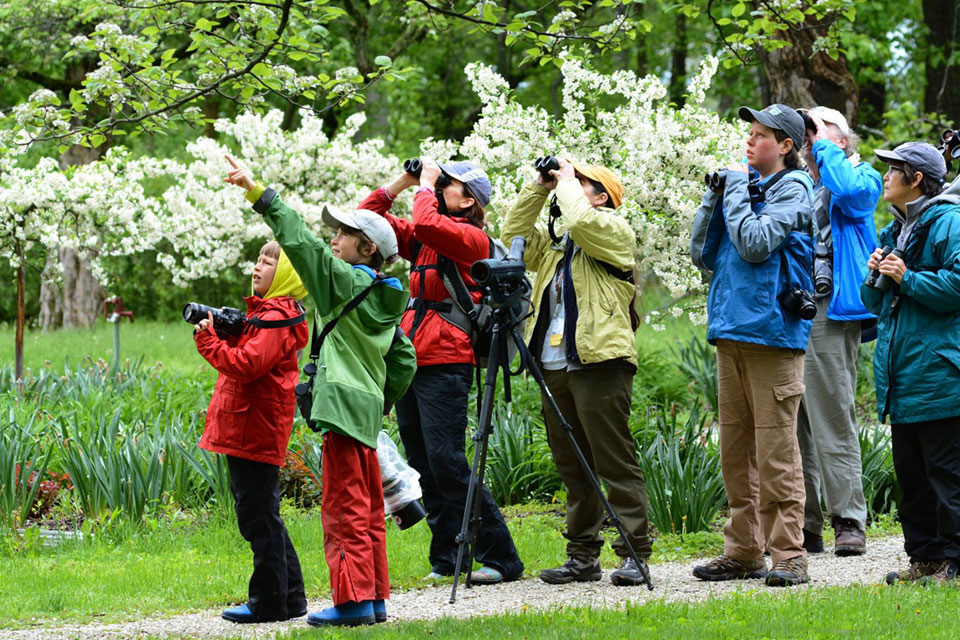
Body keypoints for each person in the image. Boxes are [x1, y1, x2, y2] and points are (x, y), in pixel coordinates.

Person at [224, 156, 418, 626]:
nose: (333, 239)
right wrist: (379, 396)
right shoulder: (386, 294)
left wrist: (258, 192)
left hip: (344, 410)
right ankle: (373, 600)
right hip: (366, 410)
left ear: (367, 248)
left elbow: (299, 241)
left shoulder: (341, 282)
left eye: (343, 235)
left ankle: (352, 604)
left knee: (344, 507)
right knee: (370, 507)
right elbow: (404, 358)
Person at [356, 158, 524, 585]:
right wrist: (403, 182)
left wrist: (425, 186)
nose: (437, 185)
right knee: (423, 464)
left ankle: (502, 558)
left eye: (448, 183)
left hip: (447, 357)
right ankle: (449, 557)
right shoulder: (427, 235)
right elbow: (365, 224)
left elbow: (428, 223)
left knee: (448, 462)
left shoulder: (469, 238)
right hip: (412, 356)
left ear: (469, 200)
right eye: (439, 180)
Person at [499, 158, 652, 586]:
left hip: (601, 361)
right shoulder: (556, 244)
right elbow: (512, 234)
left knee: (613, 459)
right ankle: (583, 556)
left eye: (581, 184)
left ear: (601, 196)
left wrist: (566, 182)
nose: (569, 188)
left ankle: (634, 553)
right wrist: (539, 186)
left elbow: (583, 222)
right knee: (574, 465)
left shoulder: (613, 231)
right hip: (554, 363)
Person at [689, 104, 815, 587]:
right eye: (749, 133)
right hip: (731, 332)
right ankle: (743, 551)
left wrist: (738, 188)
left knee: (776, 451)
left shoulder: (795, 190)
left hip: (773, 337)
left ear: (785, 145)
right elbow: (703, 252)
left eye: (761, 135)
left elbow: (756, 243)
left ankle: (789, 555)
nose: (749, 142)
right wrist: (713, 196)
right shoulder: (749, 188)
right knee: (736, 453)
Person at [193, 240, 310, 624]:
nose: (257, 267)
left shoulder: (278, 314)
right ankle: (290, 597)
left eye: (268, 262)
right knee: (262, 513)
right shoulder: (269, 313)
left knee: (258, 515)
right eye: (258, 260)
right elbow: (253, 353)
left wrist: (208, 341)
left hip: (254, 425)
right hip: (251, 423)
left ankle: (269, 602)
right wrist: (227, 333)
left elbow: (247, 365)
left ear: (287, 275)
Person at [863, 142, 960, 585]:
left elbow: (957, 286)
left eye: (893, 168)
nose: (885, 176)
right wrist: (875, 275)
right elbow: (872, 302)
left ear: (917, 177)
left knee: (946, 476)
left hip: (939, 374)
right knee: (912, 478)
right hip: (902, 377)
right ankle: (924, 560)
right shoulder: (895, 229)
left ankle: (955, 565)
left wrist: (907, 277)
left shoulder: (948, 221)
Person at [795, 106, 881, 556]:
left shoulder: (860, 176)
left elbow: (849, 195)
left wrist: (821, 142)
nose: (809, 136)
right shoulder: (799, 184)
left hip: (832, 309)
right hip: (792, 308)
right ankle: (805, 526)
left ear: (842, 141)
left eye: (820, 129)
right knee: (794, 425)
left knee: (831, 415)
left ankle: (849, 520)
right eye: (806, 130)